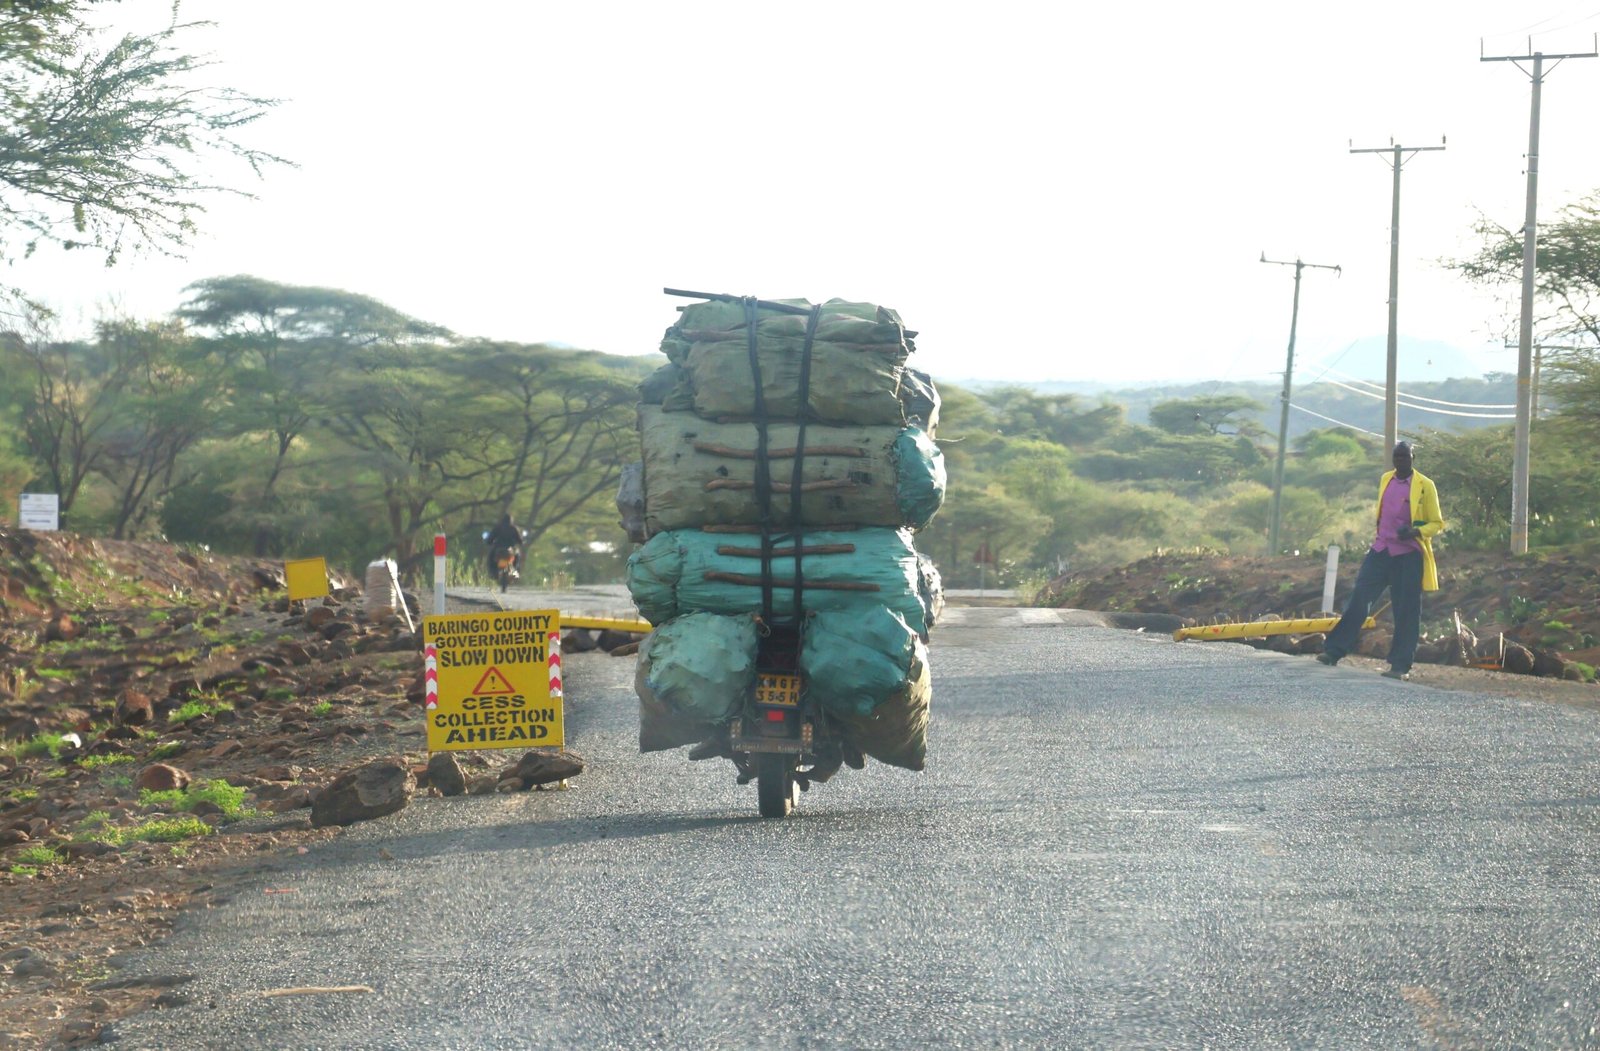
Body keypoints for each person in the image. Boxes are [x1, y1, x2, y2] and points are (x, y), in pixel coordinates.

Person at [1316, 441, 1444, 680]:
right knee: (1359, 599)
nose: (1400, 461)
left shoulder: (1425, 486)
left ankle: (1400, 665)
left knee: (1406, 610)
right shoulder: (1386, 479)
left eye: (1405, 457)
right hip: (1381, 550)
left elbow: (1437, 523)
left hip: (1408, 555)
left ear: (1413, 458)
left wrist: (1416, 532)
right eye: (1397, 457)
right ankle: (1333, 651)